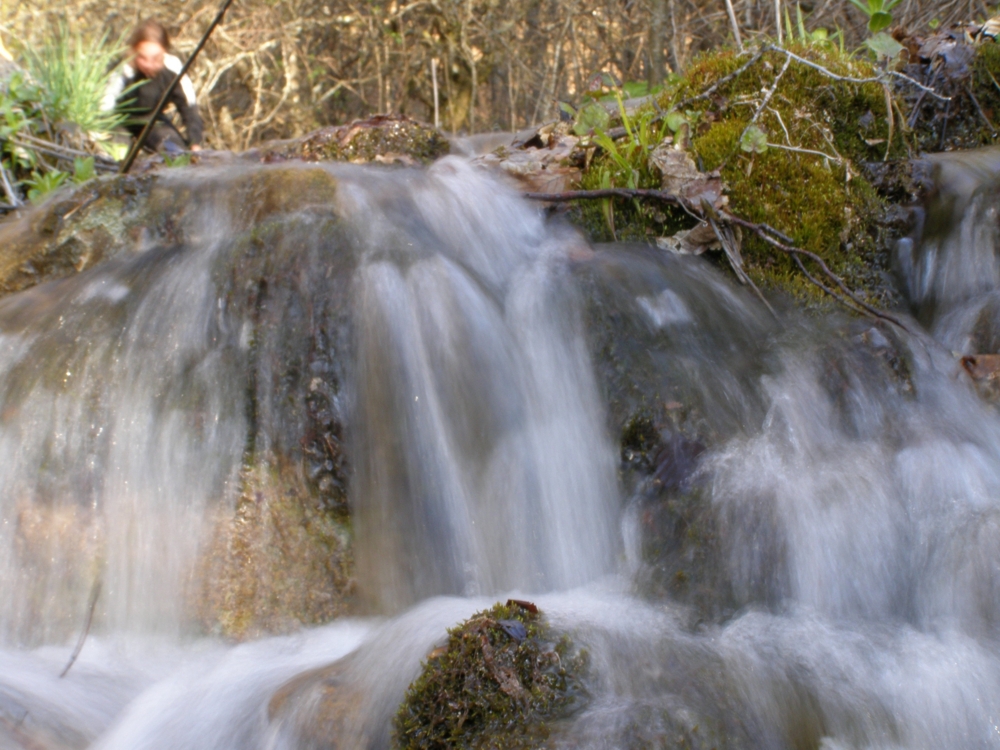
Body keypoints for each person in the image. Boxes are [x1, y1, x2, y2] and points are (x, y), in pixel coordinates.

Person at [103, 20, 203, 153]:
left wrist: (195, 142)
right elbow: (104, 106)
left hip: (153, 122)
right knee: (118, 152)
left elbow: (188, 107)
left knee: (175, 152)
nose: (149, 65)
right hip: (119, 122)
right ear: (134, 52)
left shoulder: (173, 68)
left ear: (165, 52)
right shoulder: (121, 71)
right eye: (143, 58)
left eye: (156, 59)